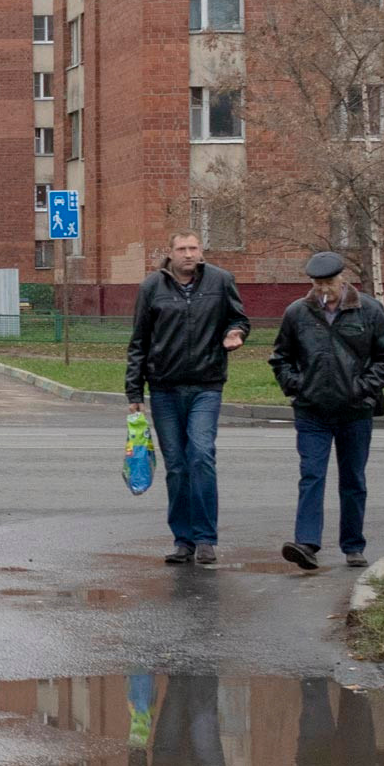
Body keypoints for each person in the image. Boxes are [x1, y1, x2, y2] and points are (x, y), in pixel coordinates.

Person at [124, 231, 251, 566]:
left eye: (194, 248)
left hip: (206, 385)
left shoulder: (221, 281)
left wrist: (235, 333)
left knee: (201, 455)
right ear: (171, 253)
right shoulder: (152, 287)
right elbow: (139, 340)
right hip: (164, 388)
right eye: (182, 249)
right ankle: (183, 540)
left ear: (201, 251)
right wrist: (134, 391)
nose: (188, 254)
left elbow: (238, 318)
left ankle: (206, 538)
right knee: (177, 467)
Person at [271, 251, 384, 570]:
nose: (323, 288)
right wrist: (297, 386)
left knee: (353, 479)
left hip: (355, 411)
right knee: (312, 475)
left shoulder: (368, 310)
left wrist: (362, 389)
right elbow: (280, 357)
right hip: (311, 410)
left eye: (329, 281)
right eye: (317, 283)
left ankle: (353, 545)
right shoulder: (297, 313)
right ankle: (306, 543)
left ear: (342, 279)